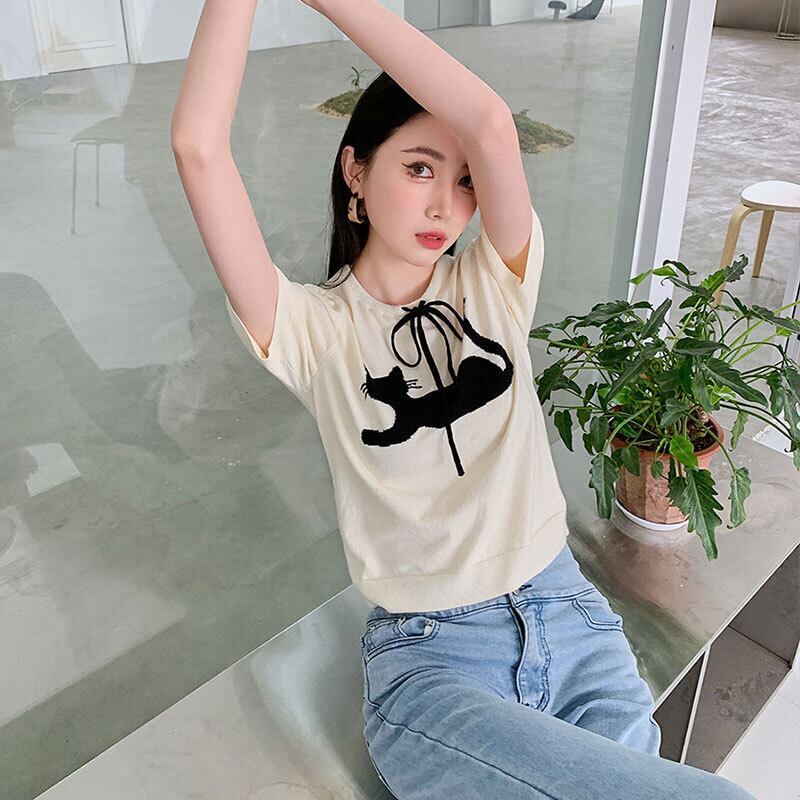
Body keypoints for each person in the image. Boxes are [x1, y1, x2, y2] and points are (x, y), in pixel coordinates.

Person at [170, 2, 756, 798]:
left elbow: (488, 121)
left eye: (465, 180)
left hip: (572, 622)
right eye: (419, 168)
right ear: (355, 171)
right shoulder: (310, 330)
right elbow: (199, 149)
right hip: (434, 664)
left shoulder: (496, 283)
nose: (447, 206)